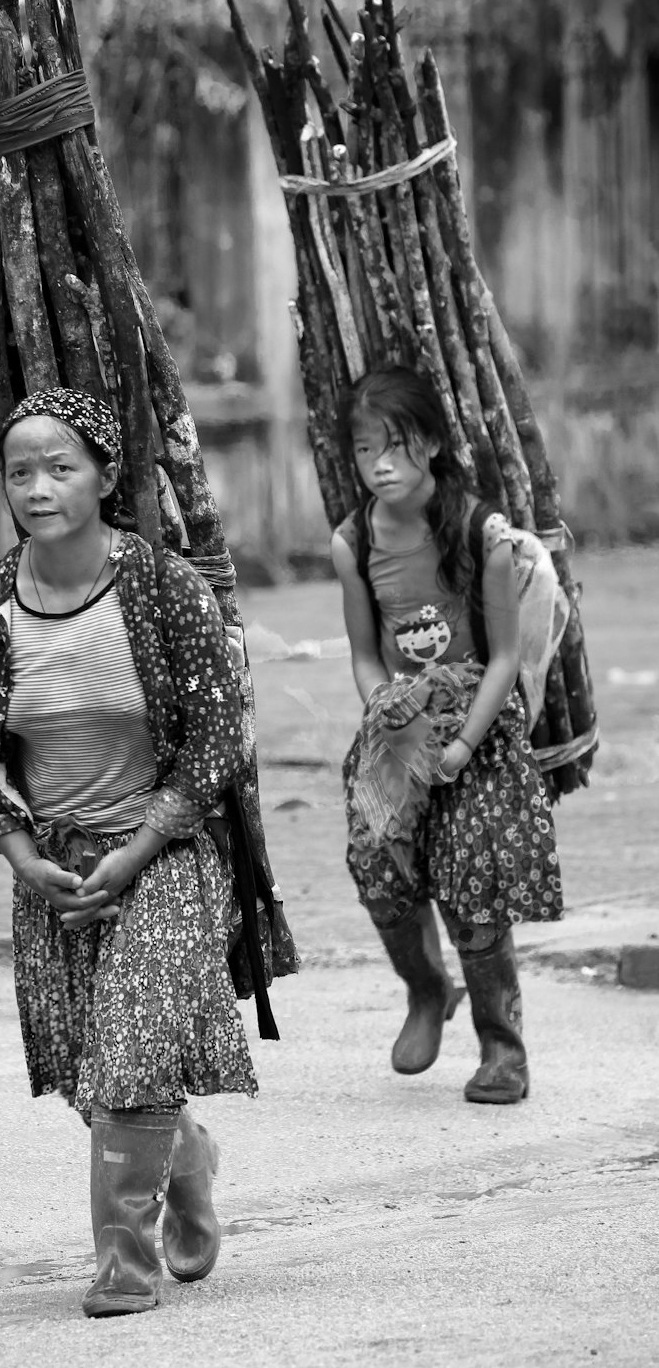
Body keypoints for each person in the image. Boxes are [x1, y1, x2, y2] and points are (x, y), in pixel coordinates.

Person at [0, 387, 257, 1318]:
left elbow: (218, 740)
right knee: (98, 1076)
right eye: (20, 471)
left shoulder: (165, 587)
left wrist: (142, 846)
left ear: (108, 477)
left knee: (129, 1056)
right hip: (57, 862)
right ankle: (186, 1156)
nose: (38, 487)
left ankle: (125, 1263)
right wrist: (19, 852)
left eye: (61, 467)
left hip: (166, 853)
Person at [330, 368, 562, 1106]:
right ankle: (427, 990)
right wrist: (392, 718)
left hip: (478, 732)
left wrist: (460, 745)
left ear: (430, 444)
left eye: (396, 447)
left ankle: (503, 1047)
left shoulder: (480, 534)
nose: (382, 466)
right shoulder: (352, 540)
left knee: (472, 881)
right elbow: (367, 656)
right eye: (366, 452)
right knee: (377, 861)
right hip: (401, 728)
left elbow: (503, 658)